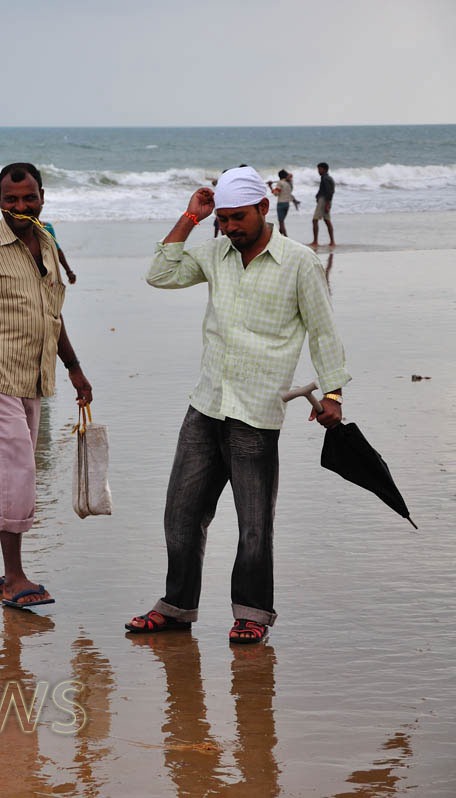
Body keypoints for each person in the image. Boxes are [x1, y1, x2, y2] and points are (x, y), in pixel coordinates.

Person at [126, 166, 351, 644]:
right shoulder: (215, 253)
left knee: (254, 524)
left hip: (257, 411)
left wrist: (332, 393)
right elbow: (160, 273)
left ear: (264, 208)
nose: (229, 227)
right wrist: (191, 216)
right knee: (181, 517)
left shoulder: (299, 263)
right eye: (223, 219)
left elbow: (323, 330)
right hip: (205, 406)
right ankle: (177, 607)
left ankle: (252, 613)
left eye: (237, 218)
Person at [0, 162, 93, 611]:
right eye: (11, 200)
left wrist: (74, 367)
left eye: (29, 198)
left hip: (32, 379)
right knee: (19, 471)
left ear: (42, 197)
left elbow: (52, 311)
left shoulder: (45, 242)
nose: (20, 207)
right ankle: (14, 576)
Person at [266, 169, 299, 236]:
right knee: (282, 221)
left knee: (281, 222)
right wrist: (287, 177)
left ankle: (286, 237)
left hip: (281, 204)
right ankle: (279, 236)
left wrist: (270, 186)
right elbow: (291, 176)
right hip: (287, 204)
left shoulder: (280, 183)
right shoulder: (289, 183)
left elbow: (276, 193)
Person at [310, 162, 336, 247]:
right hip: (325, 200)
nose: (318, 171)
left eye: (320, 169)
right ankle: (332, 242)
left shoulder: (325, 178)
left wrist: (327, 204)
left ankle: (315, 241)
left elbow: (329, 192)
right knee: (327, 221)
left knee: (315, 220)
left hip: (324, 200)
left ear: (325, 170)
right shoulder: (327, 178)